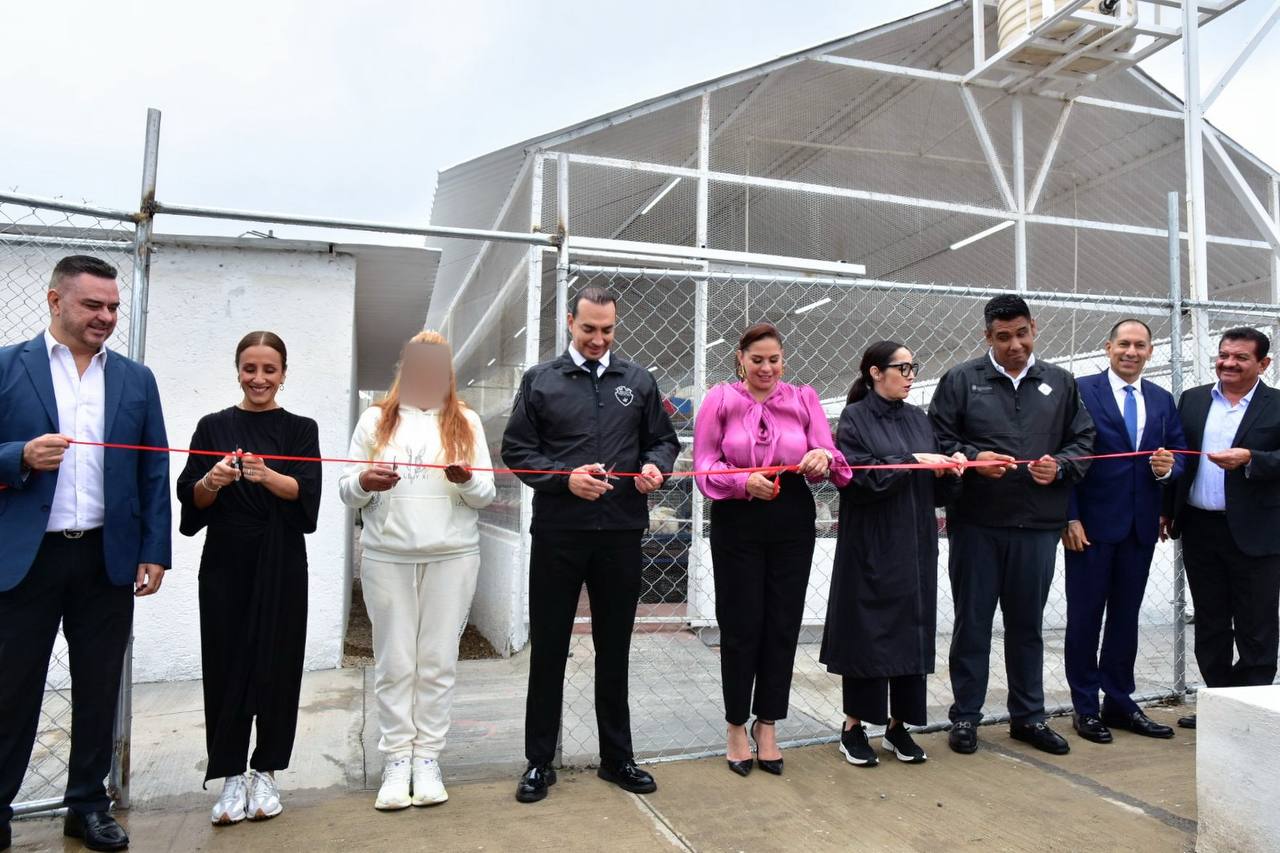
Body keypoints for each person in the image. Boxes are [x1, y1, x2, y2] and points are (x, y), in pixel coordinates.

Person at [0, 255, 170, 853]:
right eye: (92, 304)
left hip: (106, 557)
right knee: (11, 688)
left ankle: (87, 806)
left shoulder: (135, 379)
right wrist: (18, 456)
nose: (106, 316)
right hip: (26, 559)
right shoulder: (7, 367)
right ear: (54, 301)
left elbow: (153, 468)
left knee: (99, 688)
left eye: (113, 307)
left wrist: (155, 549)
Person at [501, 286, 680, 803]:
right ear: (569, 323)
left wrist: (655, 468)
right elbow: (518, 449)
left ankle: (617, 757)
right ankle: (539, 761)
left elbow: (663, 440)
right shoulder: (541, 380)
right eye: (589, 329)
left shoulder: (638, 380)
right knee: (549, 648)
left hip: (620, 533)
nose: (599, 339)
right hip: (559, 533)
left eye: (607, 330)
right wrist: (565, 479)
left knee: (614, 648)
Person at [929, 294, 1095, 756]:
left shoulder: (1060, 382)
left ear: (1033, 328)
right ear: (988, 336)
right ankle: (966, 717)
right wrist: (973, 458)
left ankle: (1029, 717)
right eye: (1003, 337)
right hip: (977, 524)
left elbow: (1084, 439)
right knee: (973, 624)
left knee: (1027, 626)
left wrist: (1060, 466)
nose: (1015, 345)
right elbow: (938, 437)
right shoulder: (962, 380)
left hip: (1037, 526)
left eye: (1022, 334)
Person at [339, 331, 495, 810]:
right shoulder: (376, 420)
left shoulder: (465, 420)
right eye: (418, 368)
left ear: (446, 374)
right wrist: (365, 481)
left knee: (437, 660)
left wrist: (466, 480)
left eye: (436, 369)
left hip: (453, 555)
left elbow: (485, 494)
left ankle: (427, 757)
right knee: (395, 661)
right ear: (404, 369)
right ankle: (396, 759)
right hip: (388, 555)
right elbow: (346, 488)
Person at [176, 332, 322, 826]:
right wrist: (212, 481)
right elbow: (192, 499)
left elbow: (307, 494)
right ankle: (230, 774)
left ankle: (266, 771)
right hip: (226, 562)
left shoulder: (301, 429)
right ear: (237, 370)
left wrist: (266, 476)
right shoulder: (212, 426)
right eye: (250, 368)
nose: (259, 379)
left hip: (281, 559)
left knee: (277, 664)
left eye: (269, 370)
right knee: (225, 662)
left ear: (284, 374)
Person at [693, 322, 850, 777]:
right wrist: (743, 482)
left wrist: (821, 458)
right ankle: (735, 726)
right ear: (740, 359)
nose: (766, 368)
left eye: (774, 359)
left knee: (782, 623)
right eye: (757, 359)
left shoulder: (804, 399)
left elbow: (832, 457)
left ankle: (768, 725)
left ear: (784, 360)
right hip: (738, 516)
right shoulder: (719, 399)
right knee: (741, 624)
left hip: (791, 513)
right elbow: (704, 465)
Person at [821, 341, 964, 768]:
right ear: (875, 372)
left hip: (915, 543)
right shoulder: (854, 418)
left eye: (913, 367)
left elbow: (935, 492)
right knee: (867, 632)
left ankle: (899, 726)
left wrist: (950, 470)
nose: (911, 375)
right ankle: (854, 727)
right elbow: (859, 479)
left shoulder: (919, 419)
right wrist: (913, 460)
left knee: (910, 631)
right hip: (871, 543)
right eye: (902, 368)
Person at [1063, 320, 1186, 744]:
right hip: (1091, 528)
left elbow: (1180, 452)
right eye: (1124, 344)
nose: (1131, 352)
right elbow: (1065, 456)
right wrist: (1069, 516)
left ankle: (1118, 700)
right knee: (1085, 618)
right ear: (1108, 347)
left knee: (1125, 618)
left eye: (1140, 345)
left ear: (1150, 351)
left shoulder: (1161, 398)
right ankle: (1084, 706)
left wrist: (1169, 470)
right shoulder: (1080, 391)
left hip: (1139, 527)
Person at [1163, 327, 1280, 730]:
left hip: (1257, 531)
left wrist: (1252, 459)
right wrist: (1167, 509)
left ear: (1263, 364)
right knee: (1211, 623)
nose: (1228, 363)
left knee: (1256, 625)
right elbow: (1178, 459)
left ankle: (1251, 713)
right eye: (1224, 355)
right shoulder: (1194, 400)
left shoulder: (1276, 405)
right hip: (1200, 528)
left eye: (1240, 357)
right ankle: (1219, 706)